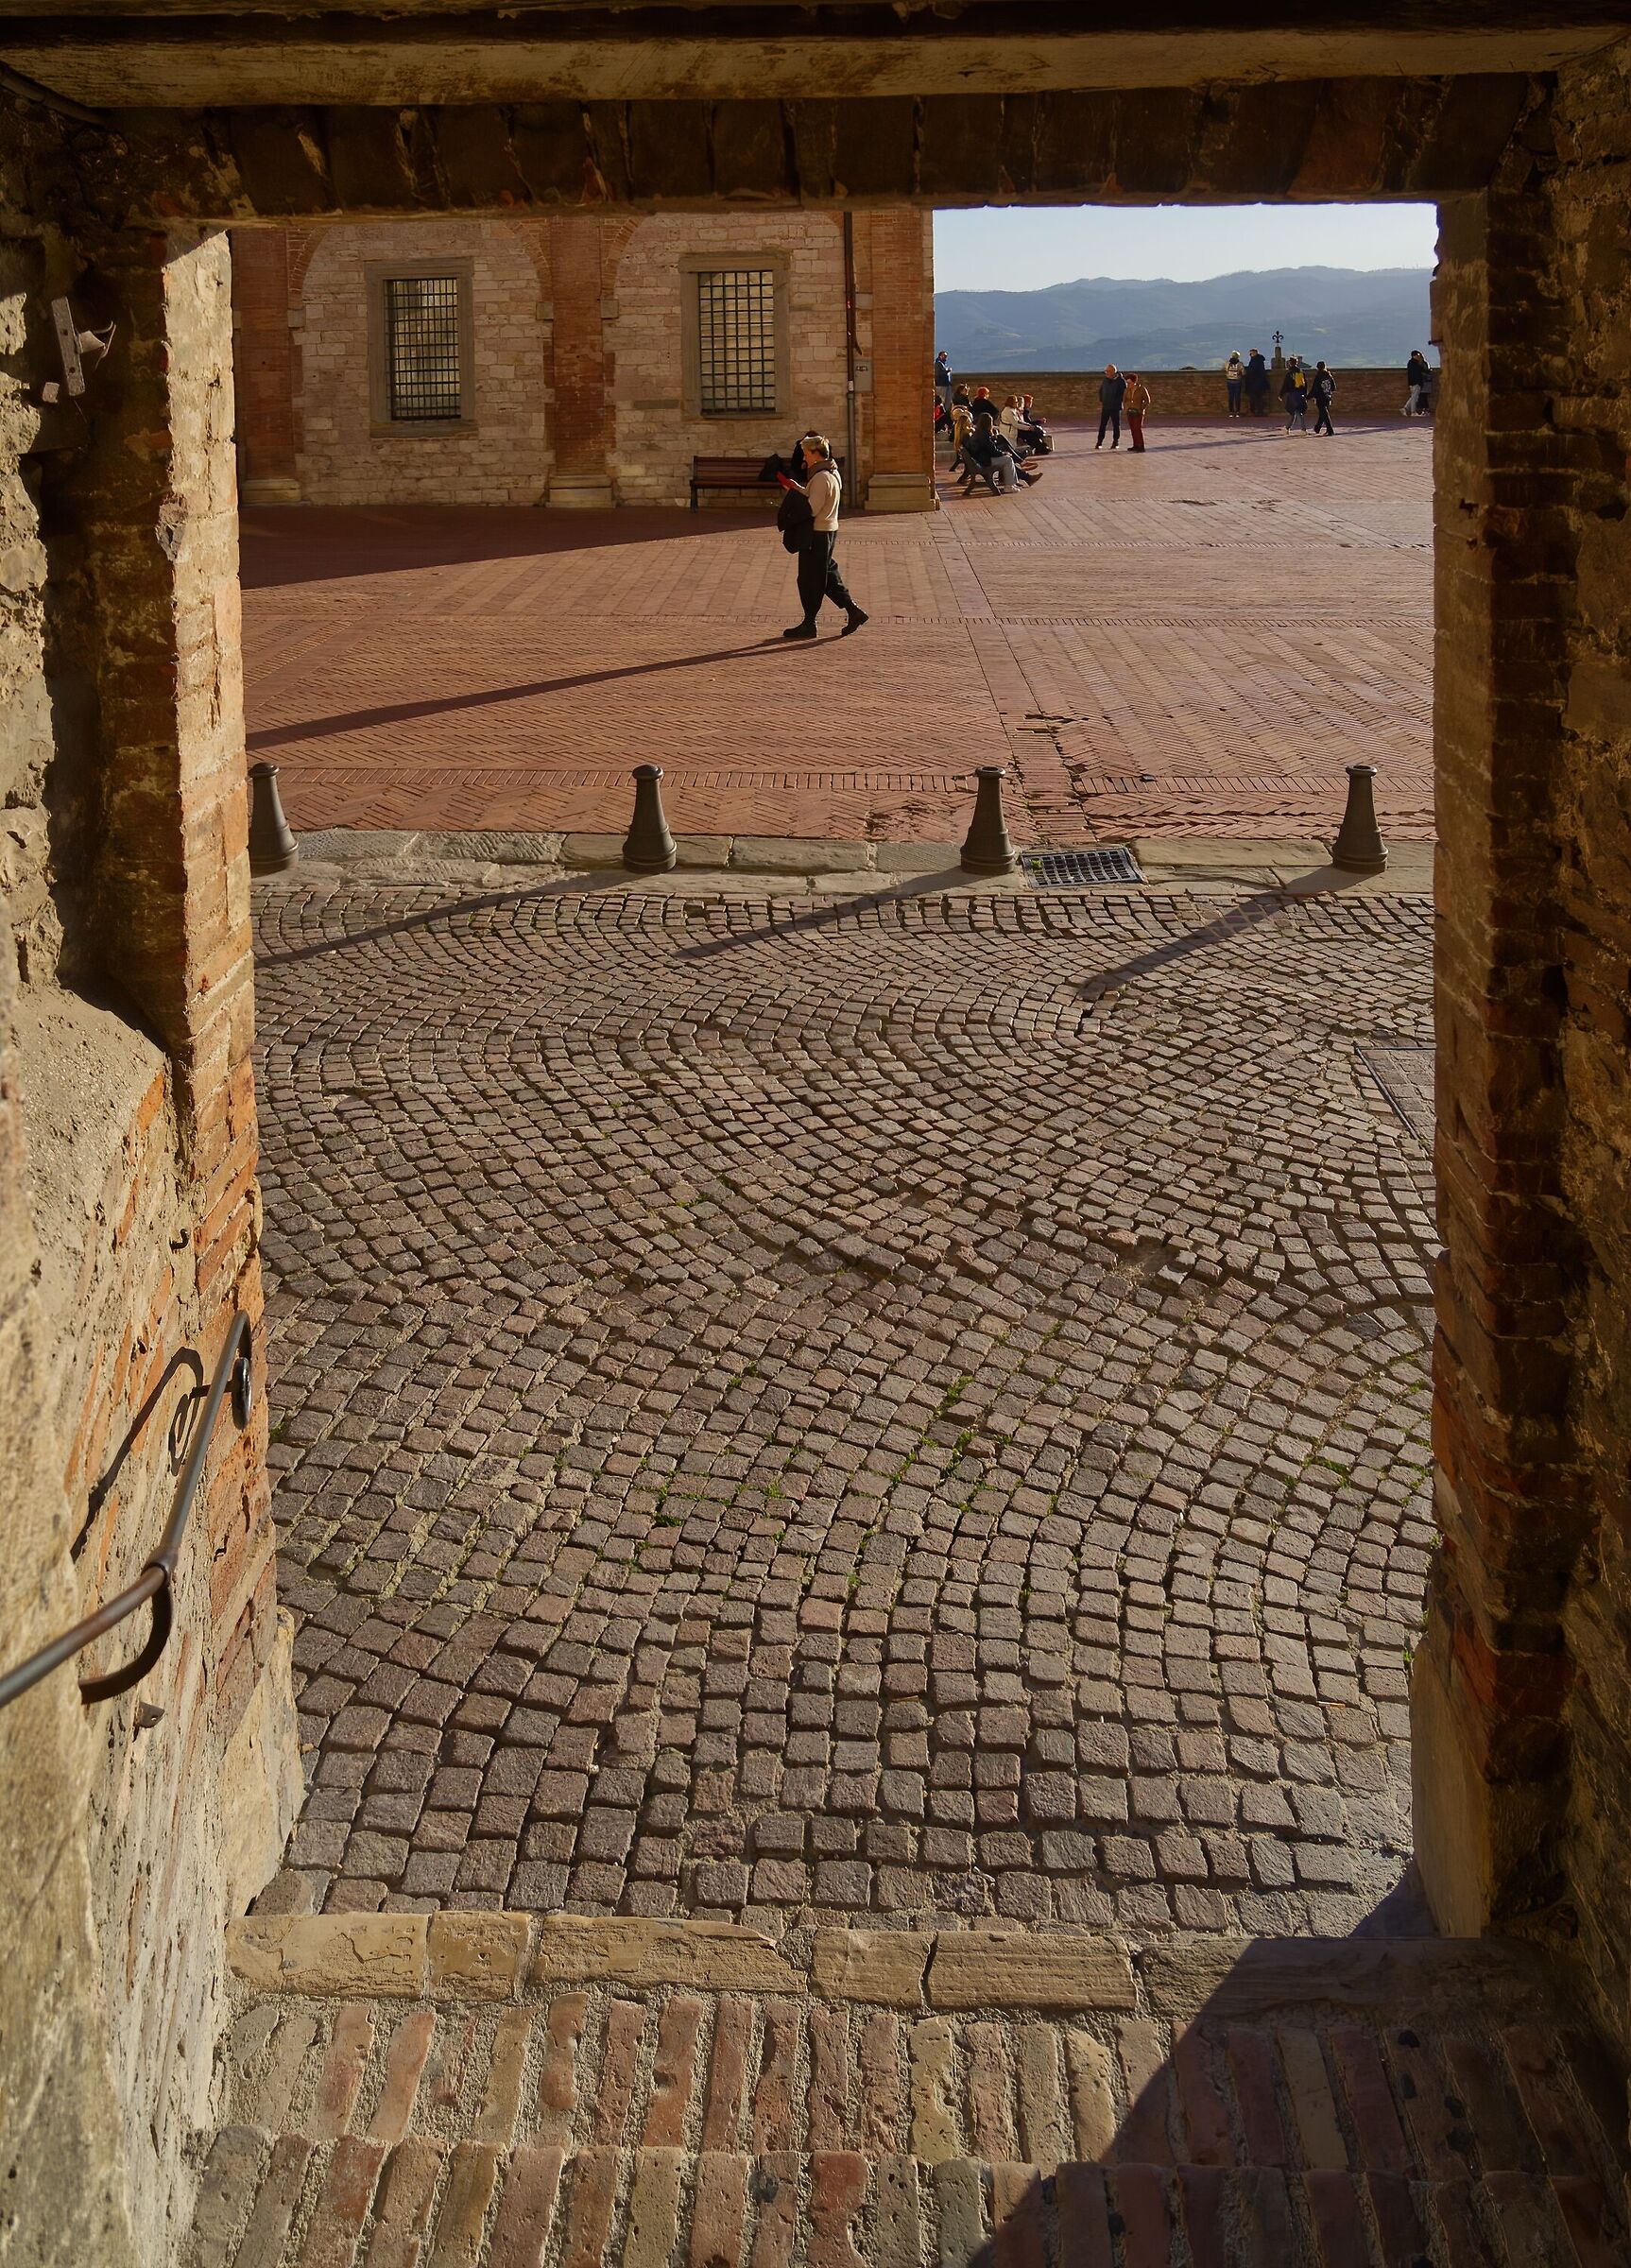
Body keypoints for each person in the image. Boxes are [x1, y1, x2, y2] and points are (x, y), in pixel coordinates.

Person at [775, 435, 867, 639]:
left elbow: (812, 508)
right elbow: (814, 497)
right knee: (827, 575)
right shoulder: (831, 473)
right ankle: (854, 612)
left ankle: (810, 623)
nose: (805, 458)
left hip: (816, 533)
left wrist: (793, 503)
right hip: (828, 530)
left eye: (807, 454)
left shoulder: (820, 477)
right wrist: (795, 488)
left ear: (816, 454)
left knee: (809, 579)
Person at [1096, 364, 1126, 449]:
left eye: (1107, 371)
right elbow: (1101, 390)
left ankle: (1115, 442)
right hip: (1106, 406)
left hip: (1115, 407)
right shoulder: (1105, 380)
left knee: (1116, 425)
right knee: (1103, 424)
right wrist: (1102, 400)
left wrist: (1117, 401)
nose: (1106, 373)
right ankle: (1099, 442)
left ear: (1113, 372)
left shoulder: (1121, 381)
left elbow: (1124, 394)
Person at [1124, 371, 1151, 453]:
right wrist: (1127, 407)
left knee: (1137, 429)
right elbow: (1124, 400)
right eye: (1127, 382)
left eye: (1129, 382)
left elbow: (1147, 400)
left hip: (1138, 412)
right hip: (1130, 411)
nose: (1128, 384)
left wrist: (1141, 409)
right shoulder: (1127, 390)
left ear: (1134, 382)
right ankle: (1135, 445)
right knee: (1132, 429)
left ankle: (1141, 446)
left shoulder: (1142, 389)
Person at [1279, 356, 1308, 433]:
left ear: (1289, 363)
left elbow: (1285, 385)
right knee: (1293, 412)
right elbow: (1305, 384)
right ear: (1297, 363)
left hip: (1293, 394)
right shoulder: (1301, 373)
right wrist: (1305, 394)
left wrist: (1281, 395)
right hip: (1301, 394)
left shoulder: (1290, 374)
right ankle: (1287, 428)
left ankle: (1303, 429)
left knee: (1297, 411)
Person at [1311, 360, 1336, 437]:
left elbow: (1314, 389)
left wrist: (1308, 397)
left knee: (1324, 414)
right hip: (1328, 397)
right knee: (1323, 413)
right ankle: (1317, 428)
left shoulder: (1318, 376)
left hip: (1320, 398)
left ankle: (1330, 430)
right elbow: (1333, 387)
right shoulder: (1329, 376)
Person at [1403, 349, 1431, 417]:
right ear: (1415, 355)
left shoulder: (1410, 363)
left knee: (1413, 396)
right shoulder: (1416, 363)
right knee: (1414, 398)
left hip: (1412, 382)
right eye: (1418, 355)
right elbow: (1422, 371)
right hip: (1416, 382)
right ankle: (1413, 412)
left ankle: (1405, 408)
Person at [1245, 348, 1269, 416]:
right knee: (1259, 398)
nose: (1250, 355)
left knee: (1254, 398)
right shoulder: (1259, 360)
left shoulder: (1255, 361)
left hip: (1255, 383)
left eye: (1251, 353)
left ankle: (1254, 411)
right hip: (1260, 382)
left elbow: (1252, 370)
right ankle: (1259, 411)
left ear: (1255, 353)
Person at [1225, 352, 1245, 418]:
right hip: (1237, 381)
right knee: (1237, 397)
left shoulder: (1228, 363)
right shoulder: (1240, 364)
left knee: (1231, 397)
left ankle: (1231, 412)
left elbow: (1225, 370)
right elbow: (1243, 372)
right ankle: (1238, 412)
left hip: (1229, 381)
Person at [935, 348, 953, 412]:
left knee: (946, 400)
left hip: (945, 384)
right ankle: (941, 413)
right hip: (941, 385)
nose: (945, 357)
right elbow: (939, 373)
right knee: (942, 400)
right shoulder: (938, 364)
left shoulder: (942, 364)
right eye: (944, 356)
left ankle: (944, 412)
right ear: (940, 356)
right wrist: (948, 370)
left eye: (946, 356)